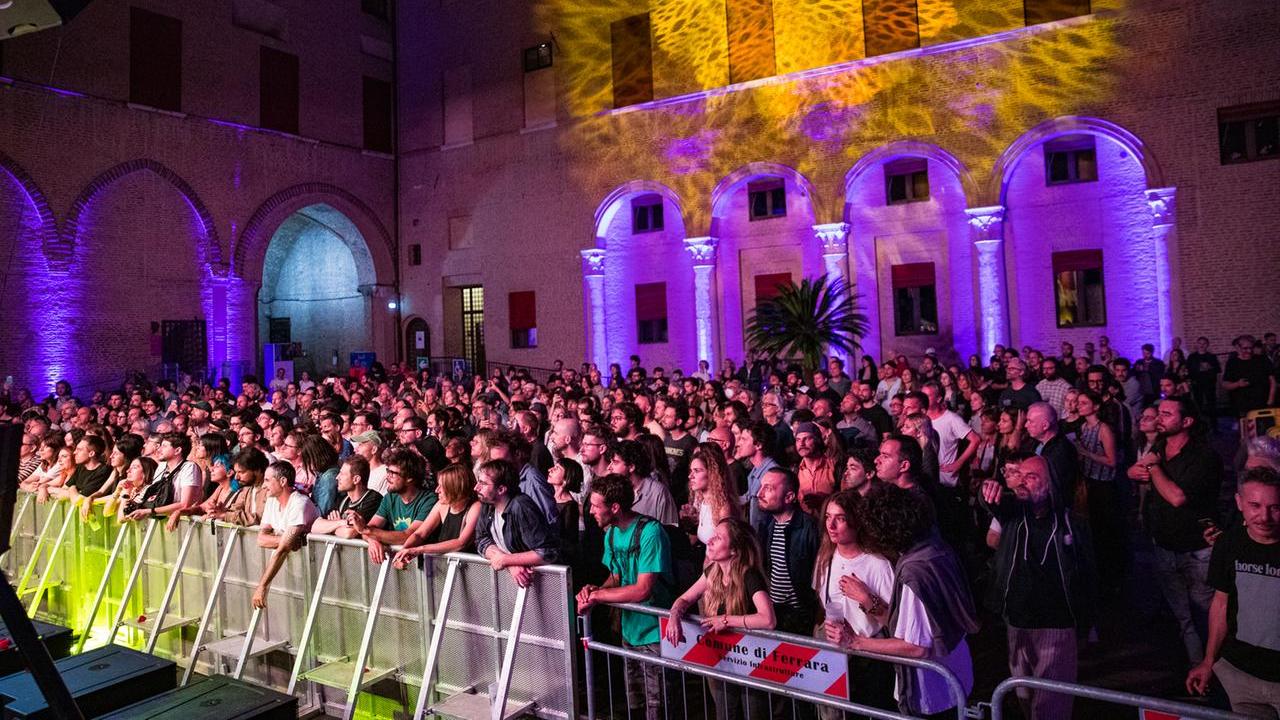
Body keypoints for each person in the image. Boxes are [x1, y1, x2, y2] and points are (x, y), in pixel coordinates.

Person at [981, 454, 1096, 720]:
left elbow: (1088, 575)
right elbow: (987, 500)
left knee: (1050, 706)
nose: (1022, 483)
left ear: (1051, 484)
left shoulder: (1071, 523)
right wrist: (986, 489)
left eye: (1031, 477)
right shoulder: (1012, 514)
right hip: (1017, 622)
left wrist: (1088, 622)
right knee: (1023, 695)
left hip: (1055, 626)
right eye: (1019, 476)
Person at [852, 484, 979, 718]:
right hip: (956, 674)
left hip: (933, 689)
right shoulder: (935, 547)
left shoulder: (915, 571)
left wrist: (857, 643)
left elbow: (916, 647)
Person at [1131, 396, 1223, 666]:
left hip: (1197, 549)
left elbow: (1177, 498)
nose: (1159, 418)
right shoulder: (1159, 446)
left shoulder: (1204, 456)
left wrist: (1153, 466)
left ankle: (1219, 671)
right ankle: (1200, 670)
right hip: (1164, 545)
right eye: (1158, 413)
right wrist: (1138, 470)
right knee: (1183, 617)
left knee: (1207, 616)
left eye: (1167, 414)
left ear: (1187, 421)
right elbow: (1131, 470)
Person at [577, 473, 673, 720]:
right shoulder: (610, 534)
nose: (591, 512)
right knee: (636, 702)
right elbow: (617, 578)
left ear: (615, 507)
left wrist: (599, 597)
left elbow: (643, 589)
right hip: (629, 628)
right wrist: (594, 589)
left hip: (655, 631)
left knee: (657, 703)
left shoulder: (651, 532)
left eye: (596, 506)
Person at [1186, 467, 1280, 716]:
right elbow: (1221, 604)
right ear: (1239, 503)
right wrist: (1208, 661)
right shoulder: (1229, 544)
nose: (1264, 516)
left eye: (1275, 507)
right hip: (1240, 677)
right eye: (1255, 506)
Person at [665, 517, 774, 720]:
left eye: (718, 537)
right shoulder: (712, 572)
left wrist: (725, 620)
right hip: (724, 659)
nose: (710, 541)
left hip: (751, 660)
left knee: (754, 713)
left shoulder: (749, 575)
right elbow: (685, 598)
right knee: (725, 713)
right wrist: (674, 615)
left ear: (734, 550)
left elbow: (767, 619)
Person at [816, 490, 897, 716]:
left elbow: (895, 622)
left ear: (856, 522)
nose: (831, 525)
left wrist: (865, 598)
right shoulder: (826, 558)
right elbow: (823, 604)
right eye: (827, 517)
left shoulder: (877, 564)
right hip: (836, 654)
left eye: (840, 518)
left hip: (870, 658)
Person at [755, 467, 820, 637]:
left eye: (768, 488)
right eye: (761, 486)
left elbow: (820, 577)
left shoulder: (810, 528)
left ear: (789, 497)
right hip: (775, 611)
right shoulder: (768, 525)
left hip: (800, 615)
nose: (759, 493)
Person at [474, 459, 560, 588]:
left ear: (501, 489)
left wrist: (505, 560)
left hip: (543, 583)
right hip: (517, 581)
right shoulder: (488, 504)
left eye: (483, 483)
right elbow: (481, 540)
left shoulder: (521, 506)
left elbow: (547, 552)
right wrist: (507, 561)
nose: (476, 488)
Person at [345, 447, 437, 564]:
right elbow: (370, 529)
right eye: (388, 471)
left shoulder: (428, 500)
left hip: (427, 568)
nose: (388, 476)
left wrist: (366, 530)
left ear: (409, 478)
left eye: (393, 473)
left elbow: (408, 536)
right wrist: (372, 540)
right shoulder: (390, 498)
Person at [252, 461, 319, 608]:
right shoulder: (271, 501)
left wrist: (262, 586)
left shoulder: (300, 503)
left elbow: (283, 549)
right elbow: (261, 539)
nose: (263, 485)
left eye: (268, 480)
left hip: (314, 570)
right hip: (292, 572)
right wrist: (288, 539)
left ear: (283, 481)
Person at [392, 463, 482, 566]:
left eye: (441, 487)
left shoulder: (476, 507)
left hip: (471, 571)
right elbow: (420, 534)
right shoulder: (441, 505)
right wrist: (404, 552)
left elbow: (460, 543)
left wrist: (419, 550)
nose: (436, 490)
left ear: (454, 488)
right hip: (447, 567)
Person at [311, 456, 382, 536]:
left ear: (356, 479)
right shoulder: (343, 499)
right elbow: (315, 526)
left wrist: (331, 527)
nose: (337, 477)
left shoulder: (373, 499)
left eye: (342, 474)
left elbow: (349, 533)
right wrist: (342, 522)